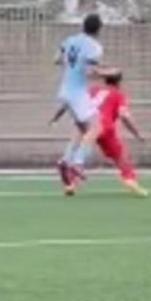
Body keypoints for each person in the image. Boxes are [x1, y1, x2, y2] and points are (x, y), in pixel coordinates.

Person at [63, 73, 148, 198]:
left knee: (78, 151)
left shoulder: (93, 90)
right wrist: (137, 133)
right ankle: (130, 179)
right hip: (105, 126)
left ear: (105, 80)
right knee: (119, 156)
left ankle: (70, 184)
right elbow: (123, 116)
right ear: (119, 83)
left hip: (88, 123)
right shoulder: (118, 94)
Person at [54, 13, 111, 190]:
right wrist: (109, 72)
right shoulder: (94, 47)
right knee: (97, 127)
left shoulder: (70, 39)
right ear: (99, 30)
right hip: (77, 93)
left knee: (81, 129)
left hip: (64, 90)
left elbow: (56, 60)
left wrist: (73, 65)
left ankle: (65, 160)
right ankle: (77, 163)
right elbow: (89, 72)